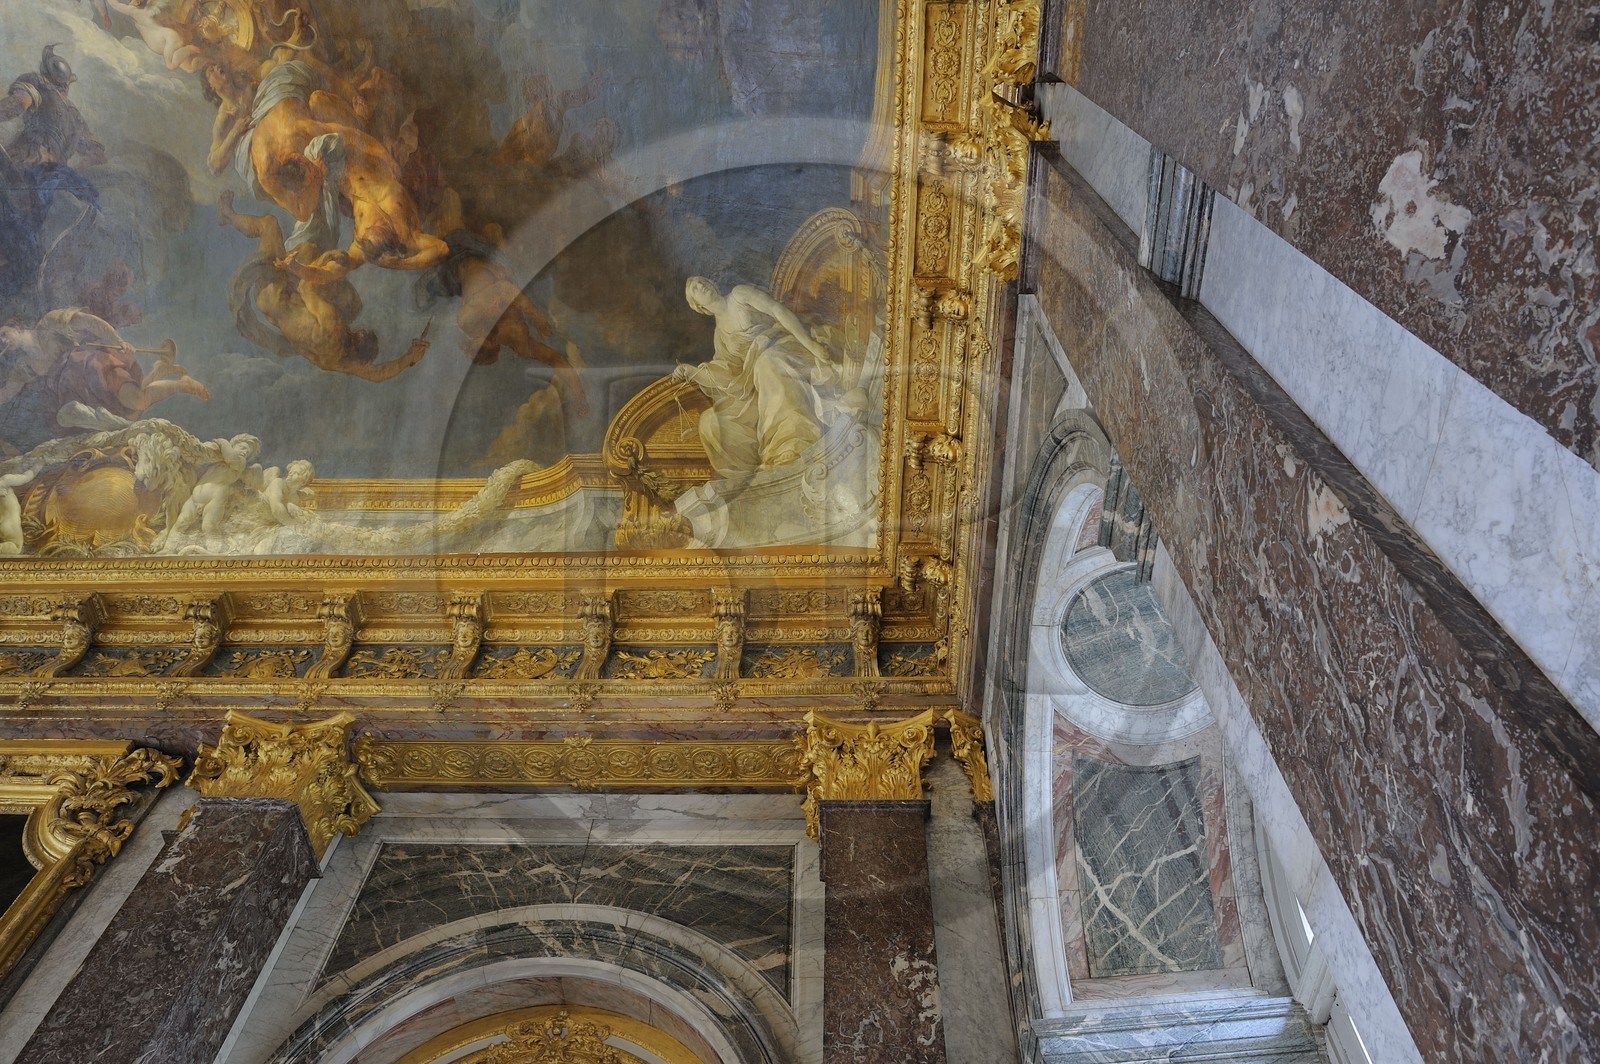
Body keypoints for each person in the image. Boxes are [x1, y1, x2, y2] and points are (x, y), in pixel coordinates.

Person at [219, 191, 429, 380]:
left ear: (356, 337)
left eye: (358, 331)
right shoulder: (340, 363)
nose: (355, 327)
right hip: (270, 306)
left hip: (274, 291)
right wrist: (409, 358)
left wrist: (328, 257)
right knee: (310, 250)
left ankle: (227, 215)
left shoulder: (334, 329)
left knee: (269, 225)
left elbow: (306, 287)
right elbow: (379, 374)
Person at [672, 277, 839, 477]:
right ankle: (756, 471)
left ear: (714, 283)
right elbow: (731, 377)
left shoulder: (739, 295)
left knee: (766, 362)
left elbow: (778, 311)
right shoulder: (720, 337)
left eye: (701, 281)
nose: (701, 285)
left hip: (788, 347)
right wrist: (693, 373)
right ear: (698, 306)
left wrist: (810, 344)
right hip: (757, 377)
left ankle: (793, 443)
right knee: (710, 423)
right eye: (695, 289)